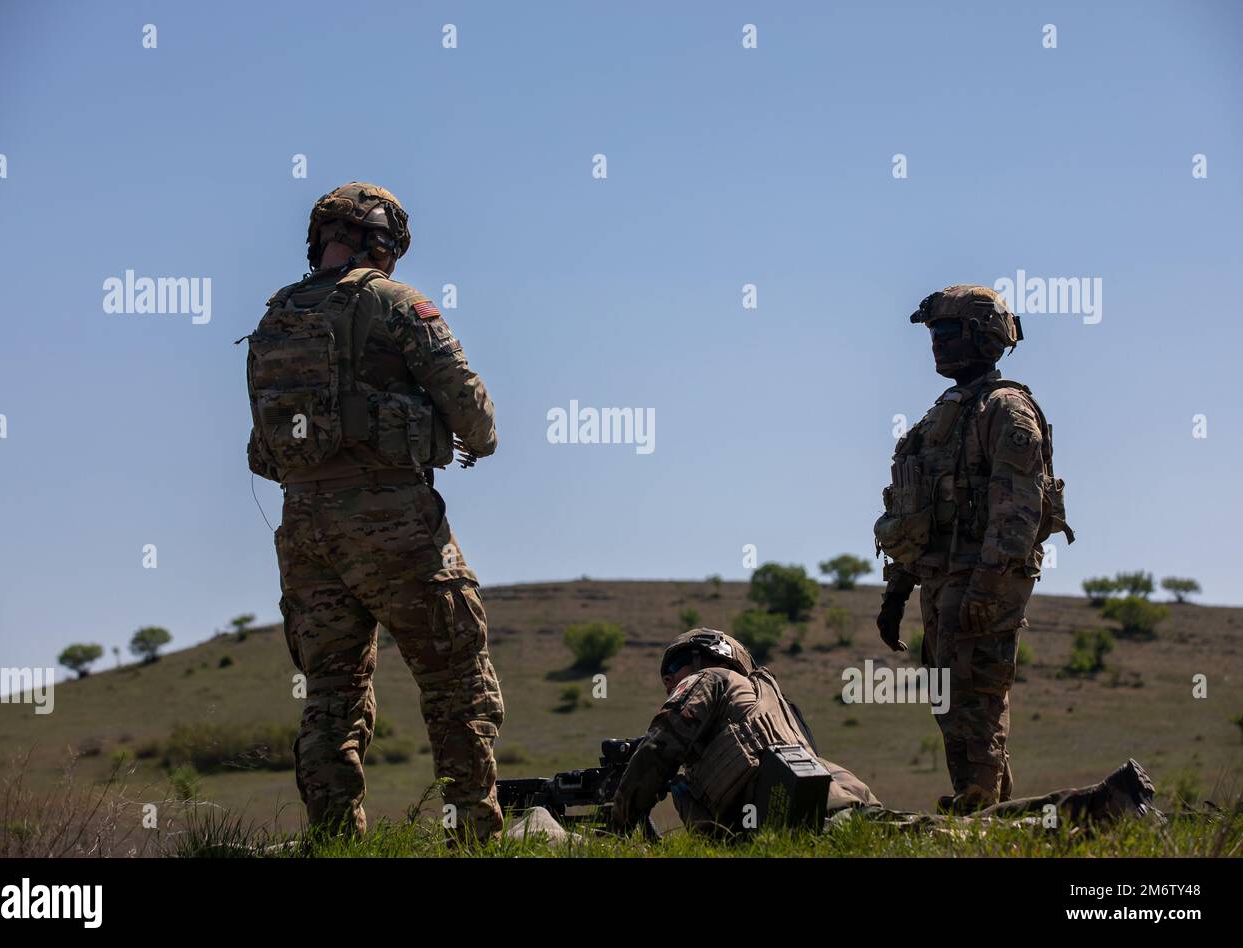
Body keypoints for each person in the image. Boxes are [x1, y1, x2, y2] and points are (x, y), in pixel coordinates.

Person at [242, 182, 503, 840]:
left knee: (331, 691)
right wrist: (475, 439)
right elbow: (469, 405)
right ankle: (474, 837)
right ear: (381, 242)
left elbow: (263, 448)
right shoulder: (396, 303)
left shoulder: (274, 318)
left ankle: (336, 843)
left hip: (304, 532)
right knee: (456, 677)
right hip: (393, 520)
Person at [606, 630, 1154, 838]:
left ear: (709, 659)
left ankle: (1101, 806)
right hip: (832, 804)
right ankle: (1091, 811)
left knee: (950, 843)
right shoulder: (771, 701)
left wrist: (622, 821)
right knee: (939, 834)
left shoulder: (711, 680)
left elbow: (658, 749)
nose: (672, 682)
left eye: (677, 668)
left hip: (811, 821)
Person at [873, 285, 1074, 813]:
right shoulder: (944, 416)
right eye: (933, 334)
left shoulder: (1007, 412)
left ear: (983, 337)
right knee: (950, 700)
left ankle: (979, 807)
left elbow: (1018, 514)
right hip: (942, 581)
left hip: (983, 581)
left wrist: (987, 588)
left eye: (947, 333)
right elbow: (913, 515)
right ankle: (984, 807)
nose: (936, 344)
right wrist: (896, 592)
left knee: (977, 698)